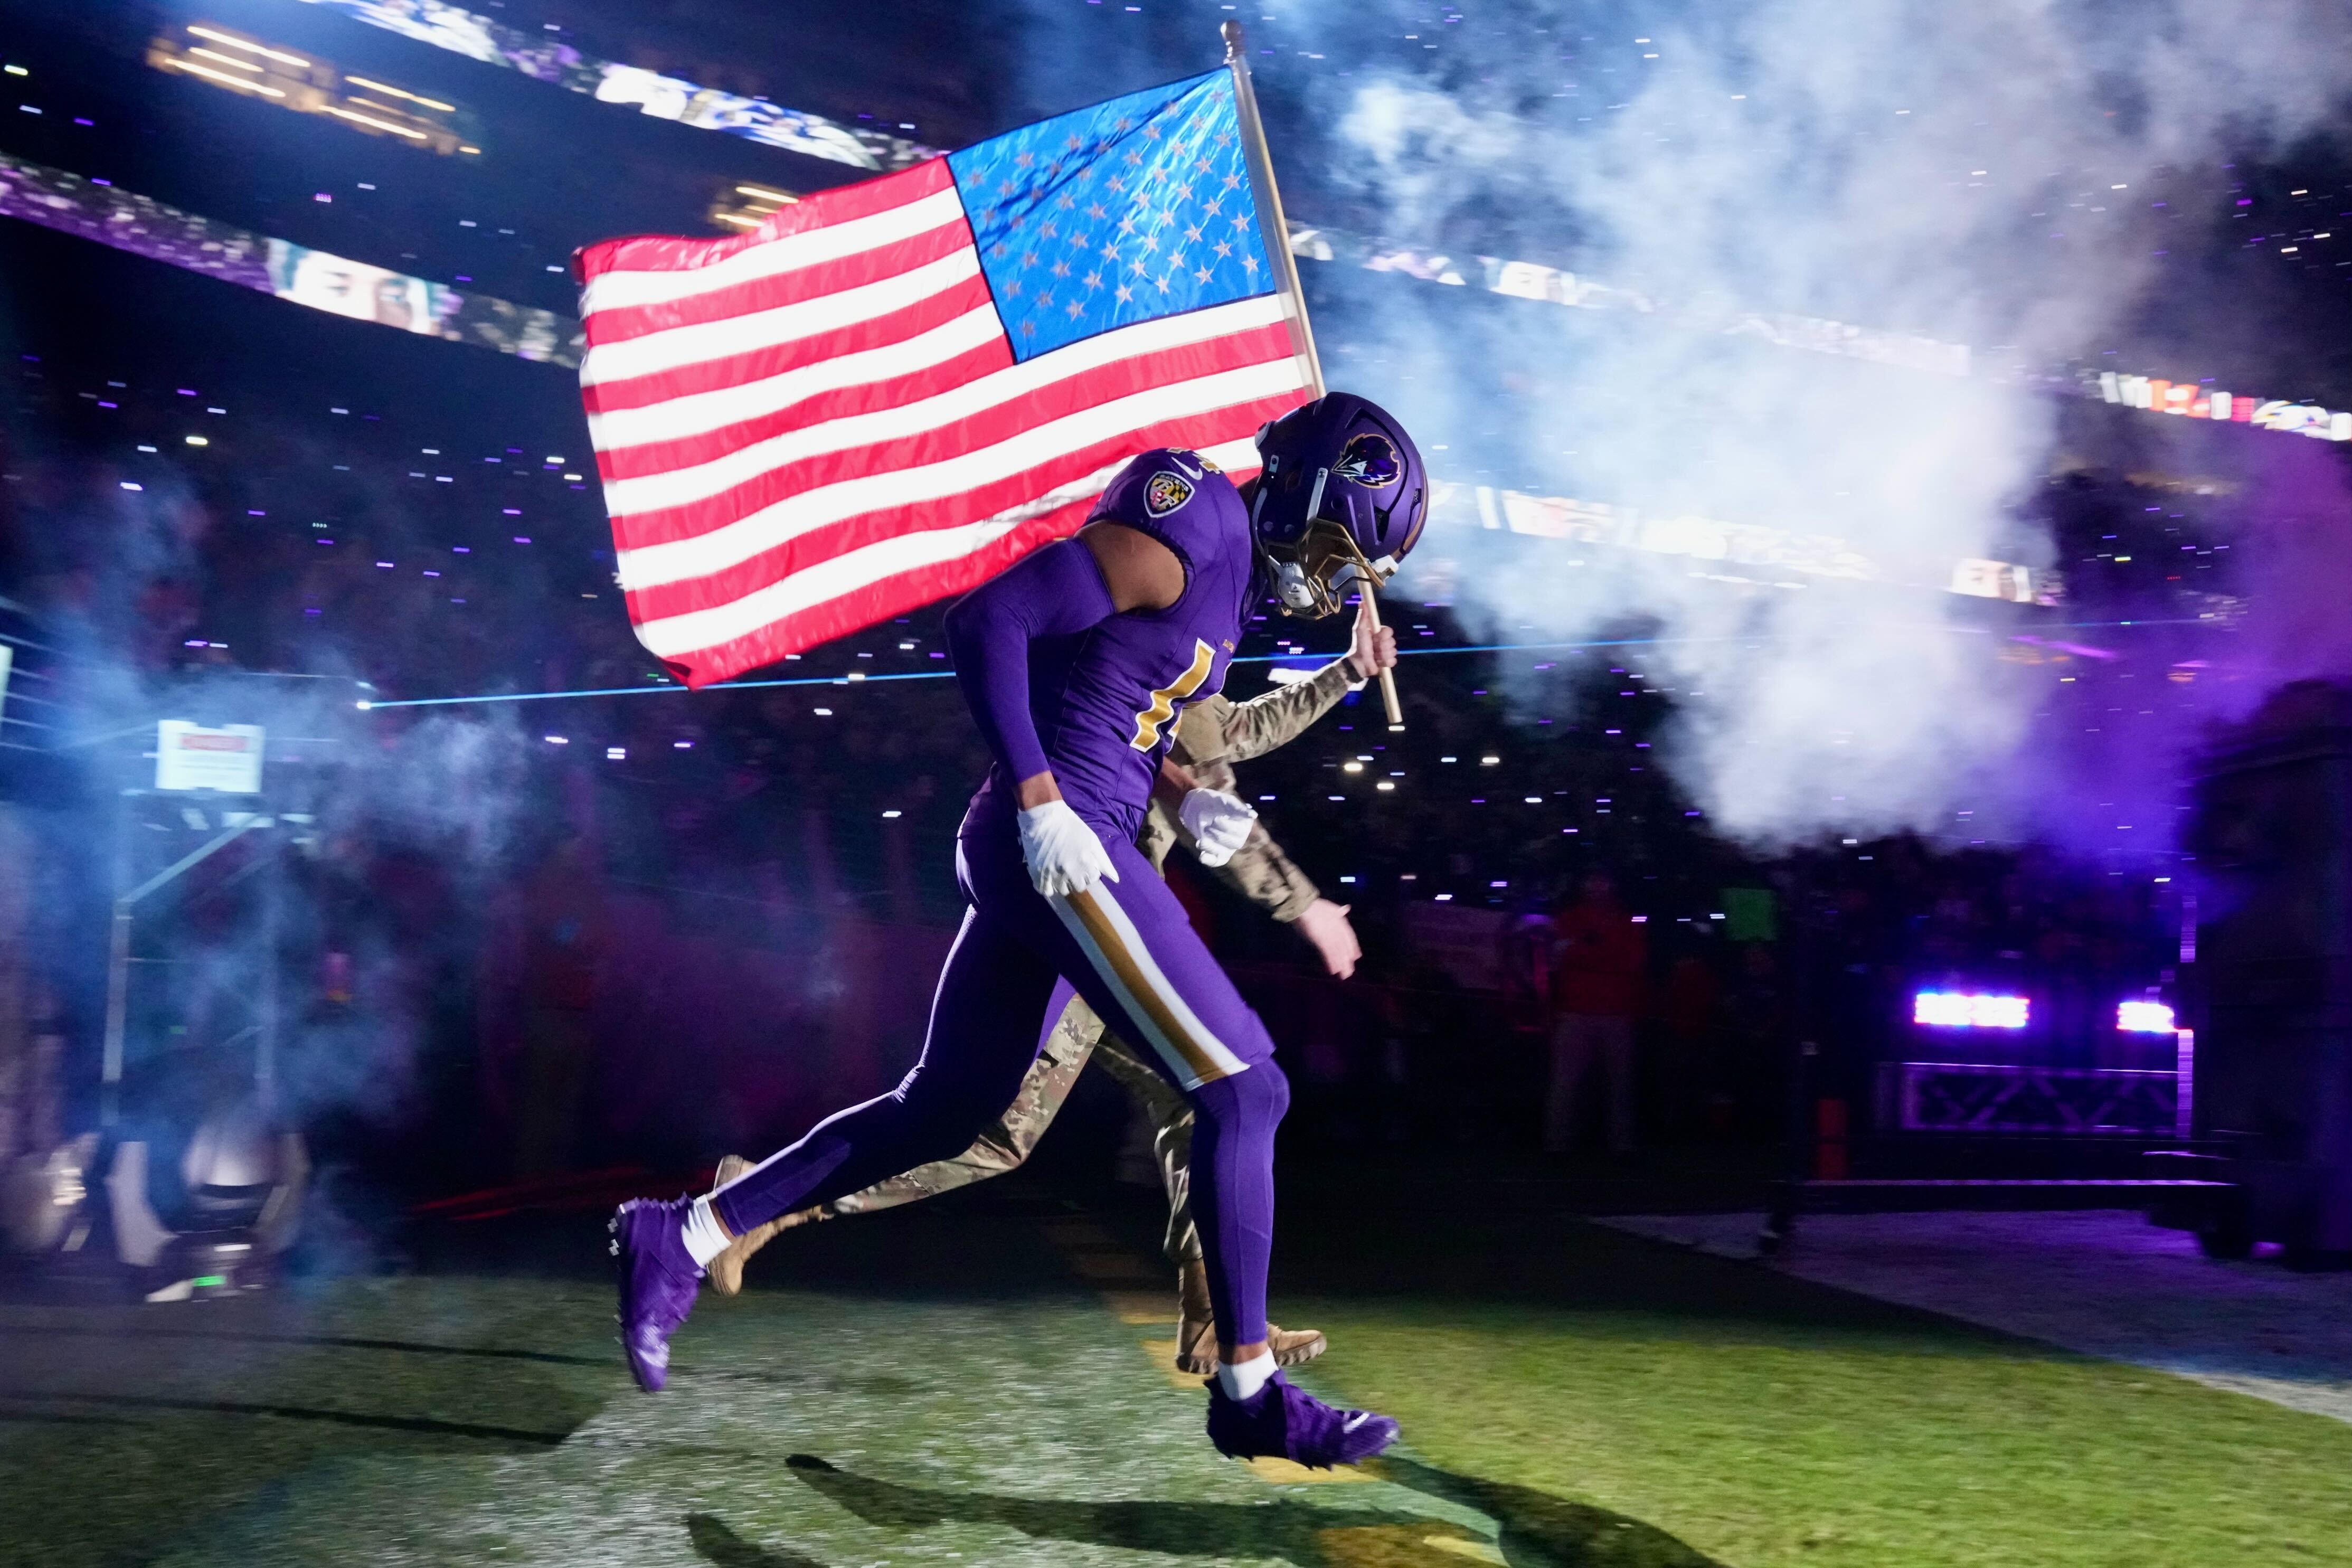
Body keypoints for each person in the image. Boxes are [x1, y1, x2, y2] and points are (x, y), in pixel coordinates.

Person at [610, 393, 1430, 1469]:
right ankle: (1247, 1392)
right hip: (1062, 837)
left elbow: (1119, 697)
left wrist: (1186, 792)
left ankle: (690, 1231)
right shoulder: (1196, 517)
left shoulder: (1225, 582)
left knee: (946, 1112)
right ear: (1315, 492)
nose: (1328, 581)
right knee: (1246, 1088)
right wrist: (1043, 799)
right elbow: (990, 623)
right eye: (1340, 550)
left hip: (1071, 833)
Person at [700, 597, 1395, 1383]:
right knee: (993, 1135)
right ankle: (759, 1202)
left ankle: (1210, 1313)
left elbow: (1238, 729)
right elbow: (1223, 772)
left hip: (1106, 937)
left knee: (1197, 1101)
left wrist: (1347, 670)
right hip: (1086, 939)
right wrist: (1303, 905)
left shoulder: (1165, 682)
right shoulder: (1157, 690)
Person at [1545, 871, 1647, 1156]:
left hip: (1613, 1012)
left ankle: (1621, 1146)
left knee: (1618, 1085)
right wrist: (1606, 955)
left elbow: (1633, 961)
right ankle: (1558, 1145)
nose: (1598, 886)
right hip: (1579, 1011)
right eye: (1592, 880)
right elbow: (1562, 956)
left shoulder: (1625, 920)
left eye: (1603, 880)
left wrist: (1585, 953)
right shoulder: (1570, 918)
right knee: (1569, 1083)